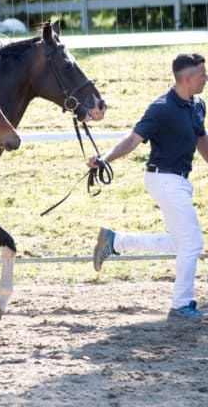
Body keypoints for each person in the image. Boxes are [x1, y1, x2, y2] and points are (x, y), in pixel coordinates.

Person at [89, 53, 208, 320]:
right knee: (192, 242)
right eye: (202, 74)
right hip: (163, 179)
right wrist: (104, 159)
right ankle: (181, 305)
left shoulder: (198, 105)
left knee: (181, 242)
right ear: (187, 79)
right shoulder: (161, 108)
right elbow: (132, 140)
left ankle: (115, 240)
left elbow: (201, 139)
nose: (206, 78)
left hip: (178, 181)